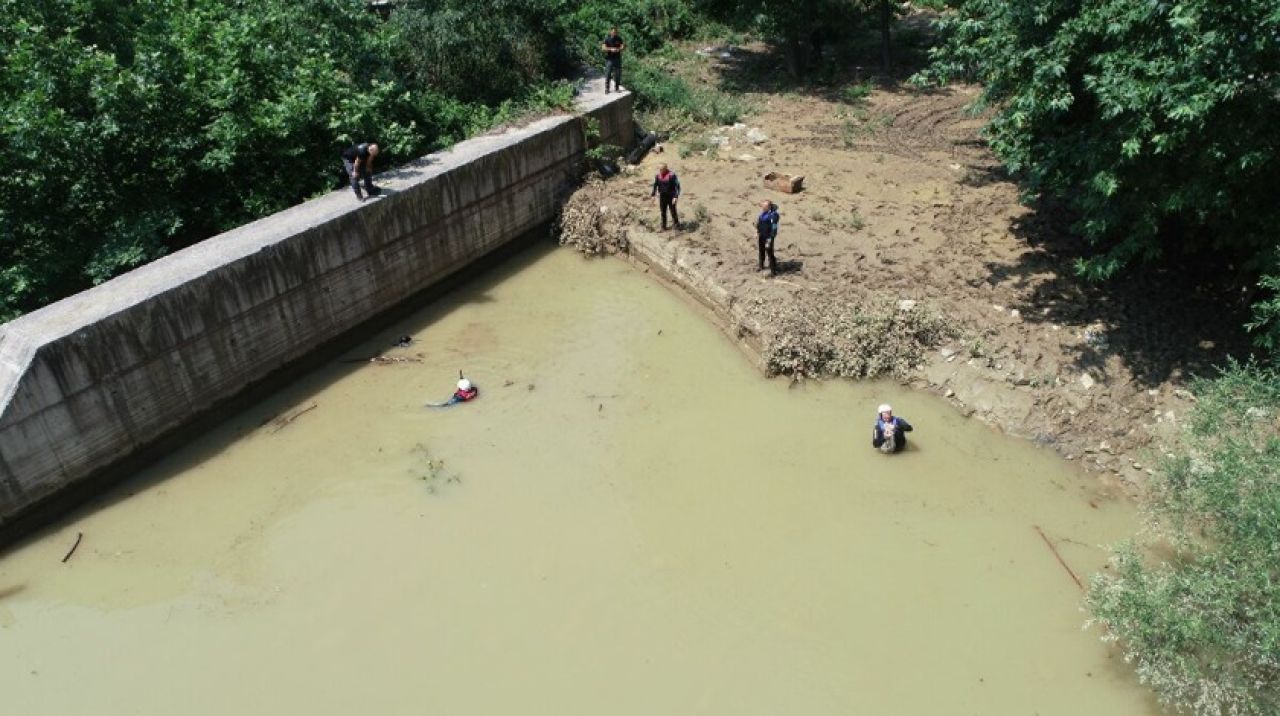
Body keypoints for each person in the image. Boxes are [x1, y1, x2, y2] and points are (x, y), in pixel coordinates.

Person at [650, 163, 682, 230]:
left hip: (671, 196)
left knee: (673, 211)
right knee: (663, 212)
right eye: (659, 169)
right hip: (662, 196)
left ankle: (677, 225)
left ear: (665, 169)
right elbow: (655, 185)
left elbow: (677, 186)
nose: (660, 170)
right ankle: (663, 227)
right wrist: (653, 195)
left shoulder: (672, 175)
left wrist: (675, 197)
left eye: (661, 169)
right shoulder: (658, 176)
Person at [756, 199, 780, 275]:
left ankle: (773, 270)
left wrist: (771, 238)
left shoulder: (773, 215)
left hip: (768, 237)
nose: (763, 208)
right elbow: (759, 223)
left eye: (764, 206)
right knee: (761, 251)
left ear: (769, 207)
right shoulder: (763, 214)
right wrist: (758, 232)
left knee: (769, 253)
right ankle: (761, 266)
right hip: (762, 236)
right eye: (762, 206)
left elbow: (774, 228)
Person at [602, 27, 625, 93]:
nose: (614, 33)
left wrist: (619, 49)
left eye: (615, 32)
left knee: (618, 74)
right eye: (613, 32)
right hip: (610, 59)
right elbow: (603, 48)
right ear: (610, 32)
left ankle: (617, 88)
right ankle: (607, 88)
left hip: (618, 59)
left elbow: (622, 46)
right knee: (608, 74)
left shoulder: (619, 38)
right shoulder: (607, 39)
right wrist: (611, 49)